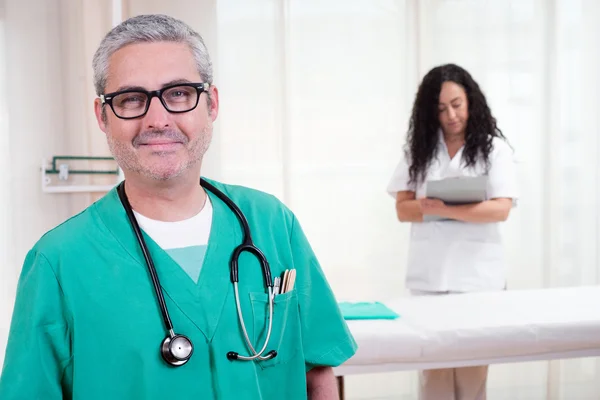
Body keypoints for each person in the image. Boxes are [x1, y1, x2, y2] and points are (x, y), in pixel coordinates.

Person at [0, 14, 356, 399]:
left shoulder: (272, 223)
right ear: (103, 116)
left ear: (212, 103)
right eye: (131, 99)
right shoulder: (58, 262)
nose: (157, 119)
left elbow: (317, 372)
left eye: (179, 93)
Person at [386, 64, 518, 400]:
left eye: (457, 104)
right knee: (434, 377)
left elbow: (500, 208)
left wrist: (441, 207)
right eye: (442, 108)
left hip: (477, 279)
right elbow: (403, 209)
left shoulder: (494, 150)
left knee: (472, 377)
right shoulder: (418, 151)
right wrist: (443, 207)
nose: (451, 115)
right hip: (430, 278)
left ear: (471, 101)